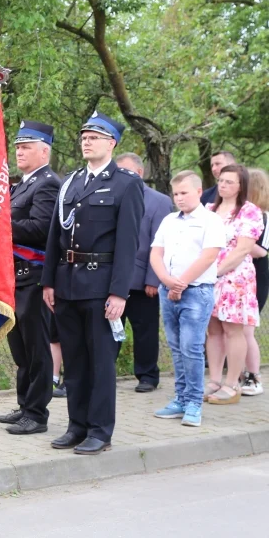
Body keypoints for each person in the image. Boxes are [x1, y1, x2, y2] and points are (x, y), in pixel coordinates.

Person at [42, 111, 144, 455]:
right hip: (68, 283)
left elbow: (129, 243)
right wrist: (49, 282)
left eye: (95, 137)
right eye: (84, 136)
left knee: (100, 362)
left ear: (112, 143)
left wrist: (119, 292)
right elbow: (56, 235)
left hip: (101, 286)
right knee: (75, 359)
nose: (87, 141)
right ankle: (77, 425)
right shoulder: (71, 181)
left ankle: (100, 430)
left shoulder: (126, 184)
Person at [0, 121, 59, 435]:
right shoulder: (21, 184)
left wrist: (2, 225)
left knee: (36, 348)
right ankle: (25, 405)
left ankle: (37, 413)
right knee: (19, 346)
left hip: (34, 277)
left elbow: (40, 229)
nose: (19, 151)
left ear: (44, 150)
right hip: (14, 276)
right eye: (18, 146)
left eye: (26, 147)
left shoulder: (47, 183)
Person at [150, 171, 224, 427]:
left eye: (184, 193)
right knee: (176, 347)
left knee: (192, 348)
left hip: (196, 292)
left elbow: (208, 256)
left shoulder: (211, 221)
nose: (179, 198)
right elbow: (156, 253)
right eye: (176, 194)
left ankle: (194, 402)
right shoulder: (169, 220)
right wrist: (167, 281)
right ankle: (181, 398)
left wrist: (180, 283)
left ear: (198, 192)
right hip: (168, 291)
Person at [114, 153, 173, 393]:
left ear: (139, 173)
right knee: (109, 332)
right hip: (112, 280)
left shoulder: (159, 201)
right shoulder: (111, 196)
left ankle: (147, 375)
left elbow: (160, 244)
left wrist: (152, 279)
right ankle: (102, 373)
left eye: (126, 171)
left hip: (142, 281)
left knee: (145, 331)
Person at [205, 164, 263, 405]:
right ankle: (215, 380)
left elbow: (242, 249)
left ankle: (232, 383)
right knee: (214, 329)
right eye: (221, 181)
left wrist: (216, 272)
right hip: (208, 276)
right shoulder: (209, 209)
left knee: (233, 329)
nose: (224, 185)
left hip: (235, 279)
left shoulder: (250, 212)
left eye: (230, 182)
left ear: (241, 186)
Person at [242, 168, 269, 396]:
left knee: (246, 329)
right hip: (232, 277)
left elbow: (261, 251)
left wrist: (235, 240)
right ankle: (238, 374)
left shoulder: (264, 216)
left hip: (255, 278)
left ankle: (254, 376)